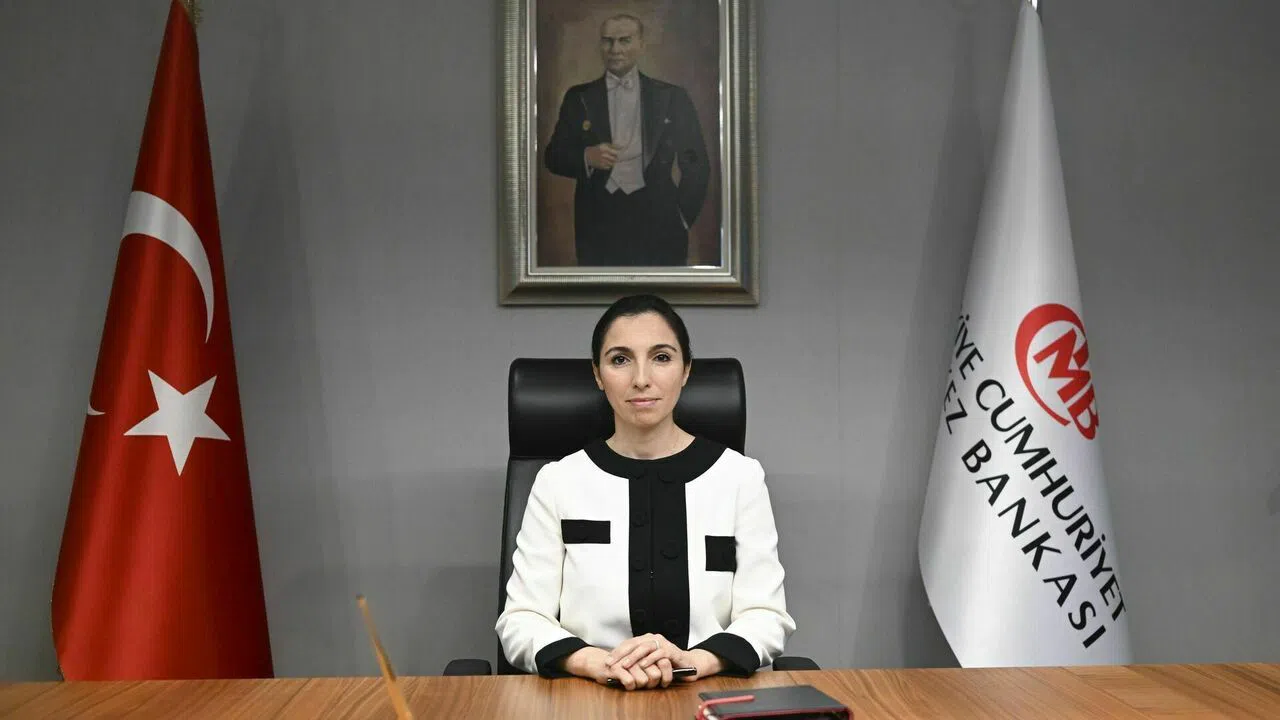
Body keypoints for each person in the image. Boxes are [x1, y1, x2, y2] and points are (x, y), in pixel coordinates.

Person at [496, 294, 795, 690]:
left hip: (710, 692)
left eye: (661, 357)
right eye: (620, 359)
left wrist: (693, 662)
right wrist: (598, 663)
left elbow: (766, 615)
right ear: (598, 375)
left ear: (686, 370)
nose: (641, 378)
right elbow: (521, 619)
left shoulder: (740, 478)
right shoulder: (558, 481)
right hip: (588, 696)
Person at [544, 14, 710, 267]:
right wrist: (586, 156)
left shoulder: (673, 98)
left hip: (660, 224)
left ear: (641, 45)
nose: (615, 49)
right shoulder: (578, 98)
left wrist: (682, 218)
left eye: (624, 40)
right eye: (608, 41)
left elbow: (697, 164)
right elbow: (553, 157)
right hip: (598, 225)